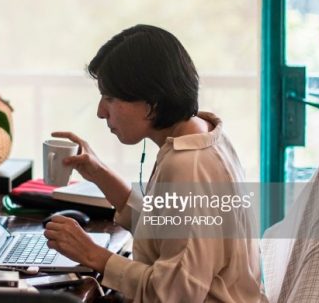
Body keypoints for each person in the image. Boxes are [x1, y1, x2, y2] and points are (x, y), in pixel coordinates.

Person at [43, 24, 265, 302]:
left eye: (110, 98)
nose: (101, 112)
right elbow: (166, 227)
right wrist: (99, 172)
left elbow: (174, 294)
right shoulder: (202, 134)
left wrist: (94, 255)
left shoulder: (188, 166)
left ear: (152, 103)